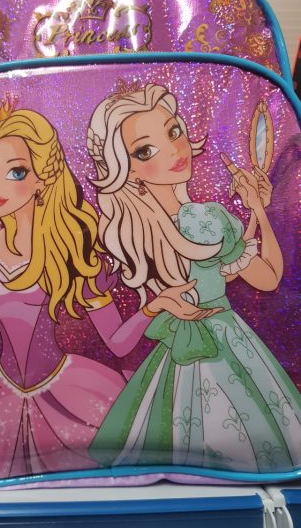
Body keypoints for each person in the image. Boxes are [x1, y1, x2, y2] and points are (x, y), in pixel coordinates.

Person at [0, 95, 154, 480]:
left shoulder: (70, 246)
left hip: (71, 392)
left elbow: (117, 343)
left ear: (42, 178)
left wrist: (153, 307)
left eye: (15, 171)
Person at [87, 82, 301, 473]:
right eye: (146, 150)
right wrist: (258, 212)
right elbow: (268, 278)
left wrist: (257, 212)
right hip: (226, 342)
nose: (174, 150)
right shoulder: (206, 219)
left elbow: (263, 277)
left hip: (181, 355)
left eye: (174, 131)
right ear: (127, 168)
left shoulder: (141, 230)